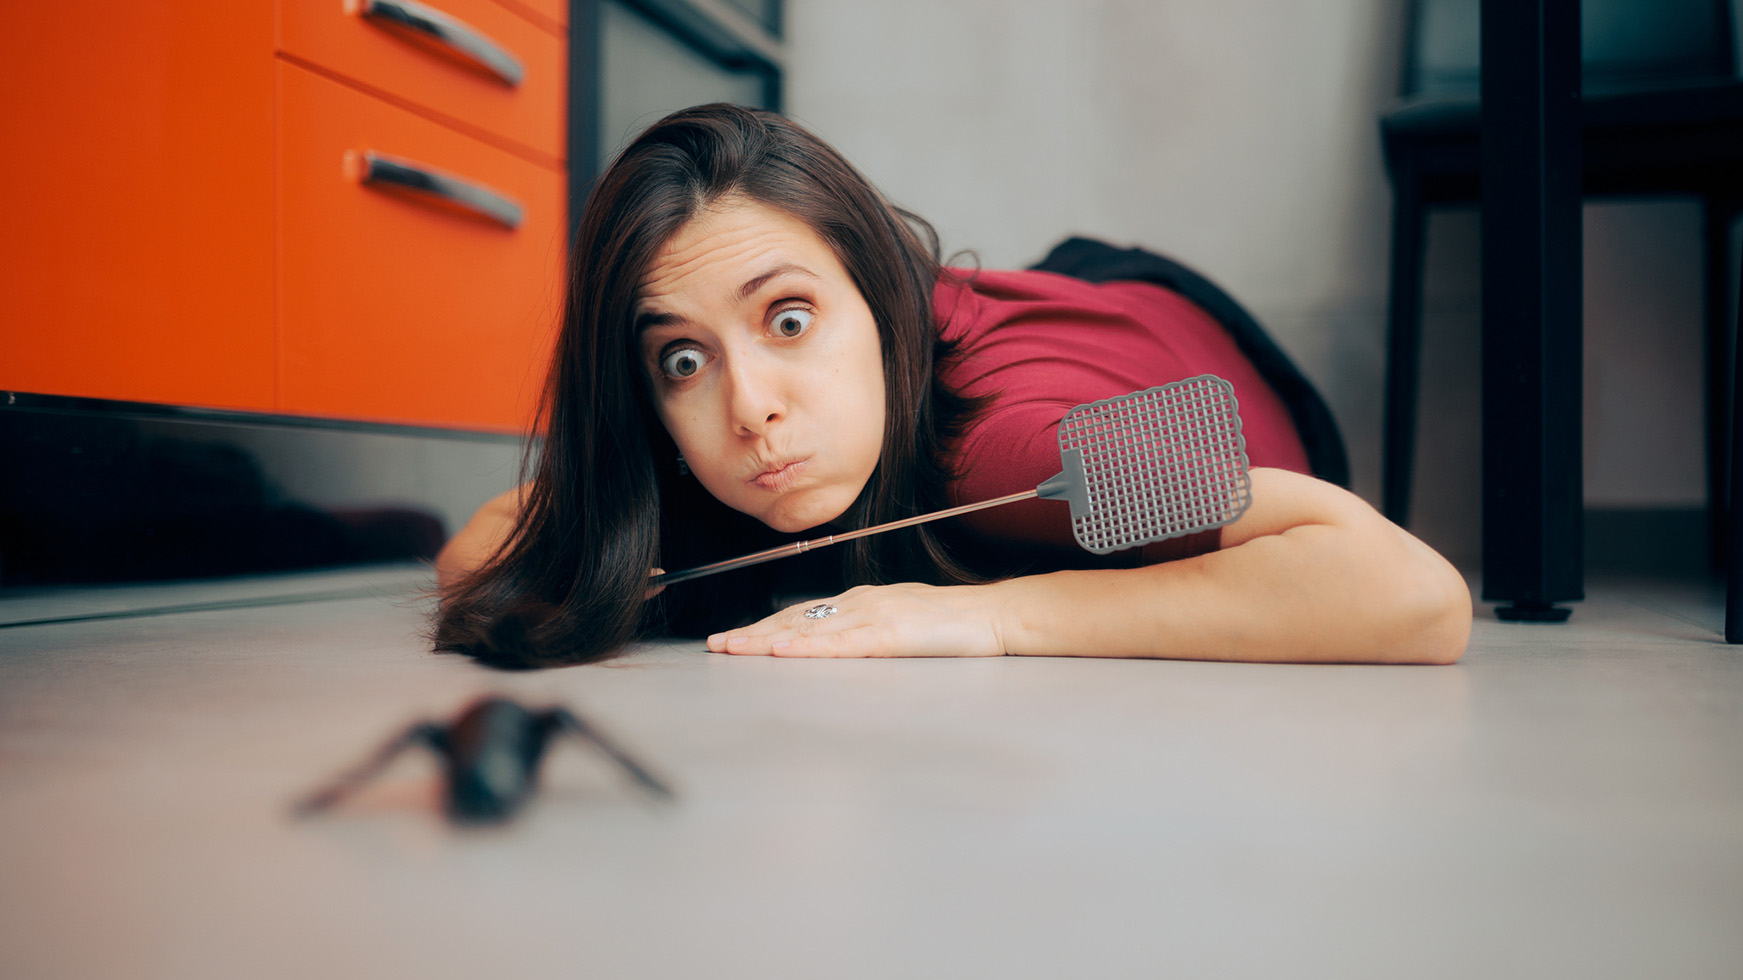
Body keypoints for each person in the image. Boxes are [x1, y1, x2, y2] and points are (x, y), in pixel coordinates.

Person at [434, 103, 1470, 668]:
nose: (748, 407)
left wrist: (992, 619)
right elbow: (483, 545)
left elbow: (1416, 595)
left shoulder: (1018, 450)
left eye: (788, 320)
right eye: (684, 359)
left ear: (882, 306)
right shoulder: (741, 436)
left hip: (1161, 327)